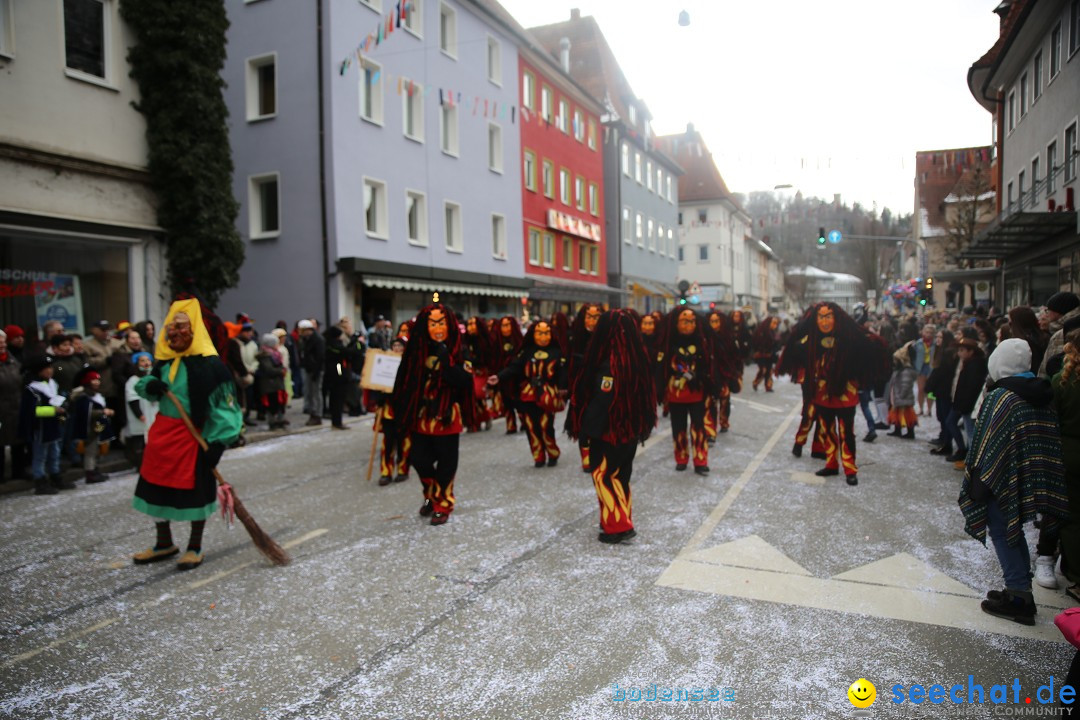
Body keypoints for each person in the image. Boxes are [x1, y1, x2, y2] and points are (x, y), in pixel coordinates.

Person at [958, 338, 1067, 625]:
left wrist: (981, 476)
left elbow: (986, 441)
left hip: (1001, 478)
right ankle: (1019, 589)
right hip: (1030, 476)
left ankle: (1019, 596)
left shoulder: (1001, 395)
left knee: (1003, 531)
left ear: (998, 362)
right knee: (1012, 529)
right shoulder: (1041, 392)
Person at [131, 299, 243, 571]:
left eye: (182, 327)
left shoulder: (211, 366)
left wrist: (218, 443)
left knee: (196, 492)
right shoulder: (164, 361)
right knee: (155, 488)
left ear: (195, 330)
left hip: (195, 438)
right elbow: (146, 389)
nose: (175, 333)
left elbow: (226, 408)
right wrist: (151, 383)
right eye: (172, 327)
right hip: (163, 435)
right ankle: (164, 542)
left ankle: (195, 546)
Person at [565, 309, 657, 544]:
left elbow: (602, 401)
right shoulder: (636, 358)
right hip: (629, 429)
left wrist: (586, 429)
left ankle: (619, 525)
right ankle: (615, 519)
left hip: (609, 431)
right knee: (620, 477)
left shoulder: (610, 364)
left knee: (603, 475)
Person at [390, 301, 474, 526]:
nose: (437, 327)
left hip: (446, 416)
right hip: (422, 417)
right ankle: (431, 494)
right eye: (432, 323)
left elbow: (463, 381)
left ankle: (442, 503)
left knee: (447, 464)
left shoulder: (460, 349)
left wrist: (445, 358)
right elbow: (404, 381)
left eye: (441, 323)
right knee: (418, 459)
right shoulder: (416, 351)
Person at [490, 319, 566, 468]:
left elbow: (563, 373)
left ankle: (552, 453)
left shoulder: (557, 352)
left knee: (546, 426)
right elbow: (514, 368)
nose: (542, 337)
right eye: (539, 333)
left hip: (547, 395)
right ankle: (538, 455)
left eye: (546, 333)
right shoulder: (526, 352)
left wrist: (563, 388)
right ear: (533, 334)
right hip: (528, 395)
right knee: (531, 426)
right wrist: (499, 376)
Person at [657, 307, 713, 474]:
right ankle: (681, 457)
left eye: (692, 321)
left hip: (696, 393)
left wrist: (703, 378)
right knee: (678, 428)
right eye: (685, 321)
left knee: (698, 428)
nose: (690, 325)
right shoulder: (668, 345)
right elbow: (661, 370)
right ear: (676, 323)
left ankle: (700, 460)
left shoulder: (701, 343)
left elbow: (709, 367)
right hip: (676, 395)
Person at [19, 355, 71, 495]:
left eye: (50, 368)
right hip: (40, 427)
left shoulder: (52, 383)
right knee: (40, 455)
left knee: (55, 452)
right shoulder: (32, 389)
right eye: (46, 369)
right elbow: (32, 411)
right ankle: (40, 480)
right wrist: (53, 410)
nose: (50, 371)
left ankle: (55, 475)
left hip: (53, 425)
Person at [566, 304, 604, 472]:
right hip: (581, 389)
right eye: (588, 316)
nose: (592, 321)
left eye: (596, 317)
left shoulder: (608, 340)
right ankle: (586, 457)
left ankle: (601, 454)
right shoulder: (575, 339)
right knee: (582, 422)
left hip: (602, 388)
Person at [944, 337, 989, 470]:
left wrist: (963, 405)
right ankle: (968, 458)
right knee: (968, 431)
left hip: (968, 406)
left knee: (971, 434)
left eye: (962, 350)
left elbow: (971, 388)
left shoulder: (974, 366)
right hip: (964, 404)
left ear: (971, 352)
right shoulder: (970, 363)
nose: (959, 353)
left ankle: (971, 462)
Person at [374, 336, 411, 486]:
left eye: (400, 346)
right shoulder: (384, 362)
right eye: (395, 345)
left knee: (404, 441)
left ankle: (403, 470)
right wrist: (380, 397)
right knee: (388, 442)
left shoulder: (410, 364)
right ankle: (385, 472)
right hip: (389, 409)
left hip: (404, 409)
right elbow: (376, 382)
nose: (397, 348)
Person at [70, 368, 116, 484]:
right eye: (93, 380)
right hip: (89, 429)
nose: (97, 382)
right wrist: (103, 412)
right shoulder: (83, 397)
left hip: (98, 427)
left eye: (97, 380)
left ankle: (95, 470)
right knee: (90, 451)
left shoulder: (97, 395)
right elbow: (86, 413)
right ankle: (90, 473)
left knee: (97, 450)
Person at [0, 329, 28, 483]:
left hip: (16, 405)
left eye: (3, 341)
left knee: (18, 440)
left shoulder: (13, 360)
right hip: (1, 409)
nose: (2, 345)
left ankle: (19, 471)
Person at [123, 351, 157, 471]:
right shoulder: (133, 380)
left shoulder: (155, 376)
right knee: (140, 441)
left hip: (154, 413)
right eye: (142, 361)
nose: (146, 363)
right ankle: (141, 465)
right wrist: (139, 414)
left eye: (147, 360)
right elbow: (132, 398)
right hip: (141, 415)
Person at [491, 315, 524, 435]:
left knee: (519, 403)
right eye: (503, 326)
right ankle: (511, 425)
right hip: (503, 378)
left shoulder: (520, 342)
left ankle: (524, 422)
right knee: (507, 403)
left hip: (518, 378)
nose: (505, 329)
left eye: (507, 325)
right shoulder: (497, 343)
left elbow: (519, 363)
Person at [463, 316, 494, 432]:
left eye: (473, 324)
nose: (470, 327)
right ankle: (474, 422)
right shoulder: (465, 340)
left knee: (478, 395)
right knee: (470, 398)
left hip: (481, 372)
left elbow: (485, 359)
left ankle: (485, 417)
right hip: (468, 372)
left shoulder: (485, 341)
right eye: (469, 324)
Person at [1039, 292, 1080, 378]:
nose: (1047, 314)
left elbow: (1044, 371)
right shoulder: (1053, 329)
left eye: (1048, 310)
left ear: (1058, 311)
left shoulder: (1058, 335)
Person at [256, 333, 289, 430]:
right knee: (272, 404)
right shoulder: (265, 355)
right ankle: (273, 421)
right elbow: (268, 369)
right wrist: (280, 371)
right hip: (270, 385)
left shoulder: (275, 354)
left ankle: (280, 419)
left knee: (279, 403)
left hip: (276, 384)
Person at [885, 343, 918, 440]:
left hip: (903, 397)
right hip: (898, 397)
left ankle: (910, 432)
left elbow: (906, 385)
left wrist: (901, 395)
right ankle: (897, 429)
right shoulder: (899, 370)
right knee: (897, 414)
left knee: (907, 415)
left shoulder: (905, 372)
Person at [299, 319, 324, 425]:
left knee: (316, 393)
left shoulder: (318, 340)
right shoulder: (307, 339)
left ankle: (317, 414)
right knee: (310, 392)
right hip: (310, 369)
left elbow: (320, 357)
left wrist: (316, 371)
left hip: (316, 370)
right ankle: (313, 412)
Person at [751, 317, 781, 392]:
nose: (775, 325)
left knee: (769, 370)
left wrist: (774, 350)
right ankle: (756, 382)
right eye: (773, 323)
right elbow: (754, 342)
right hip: (760, 354)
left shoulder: (774, 333)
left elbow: (777, 344)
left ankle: (768, 386)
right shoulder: (760, 331)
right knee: (763, 369)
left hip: (769, 355)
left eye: (776, 323)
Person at [912, 323, 936, 417]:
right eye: (926, 332)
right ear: (923, 332)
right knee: (921, 389)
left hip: (931, 367)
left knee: (930, 391)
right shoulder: (918, 343)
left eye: (930, 332)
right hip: (920, 367)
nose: (928, 334)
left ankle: (929, 409)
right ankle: (921, 408)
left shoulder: (936, 344)